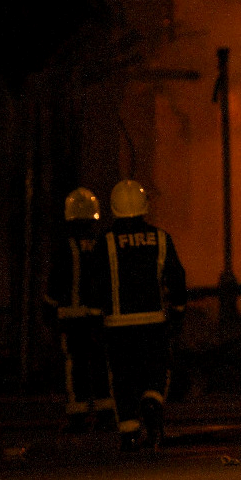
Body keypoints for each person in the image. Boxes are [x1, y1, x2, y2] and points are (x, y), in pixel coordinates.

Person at [95, 179, 187, 452]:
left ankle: (129, 433)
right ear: (144, 206)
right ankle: (152, 403)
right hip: (153, 323)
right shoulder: (160, 238)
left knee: (122, 379)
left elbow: (94, 283)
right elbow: (176, 278)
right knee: (156, 373)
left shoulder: (106, 242)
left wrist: (97, 318)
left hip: (117, 326)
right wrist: (178, 311)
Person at [43, 187, 115, 433]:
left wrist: (48, 307)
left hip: (71, 319)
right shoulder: (103, 243)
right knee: (101, 364)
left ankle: (78, 415)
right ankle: (106, 414)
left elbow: (56, 280)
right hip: (99, 316)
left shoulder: (65, 245)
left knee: (76, 365)